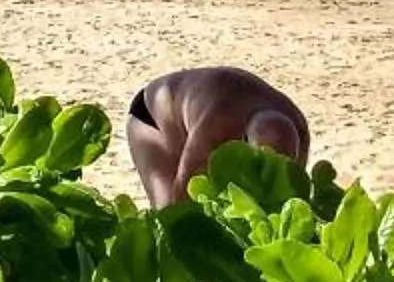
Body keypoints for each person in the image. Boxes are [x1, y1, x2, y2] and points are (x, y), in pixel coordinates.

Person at [127, 66, 311, 207]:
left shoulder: (299, 127)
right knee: (167, 212)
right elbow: (183, 193)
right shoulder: (218, 123)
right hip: (151, 116)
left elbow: (292, 202)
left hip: (193, 113)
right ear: (243, 140)